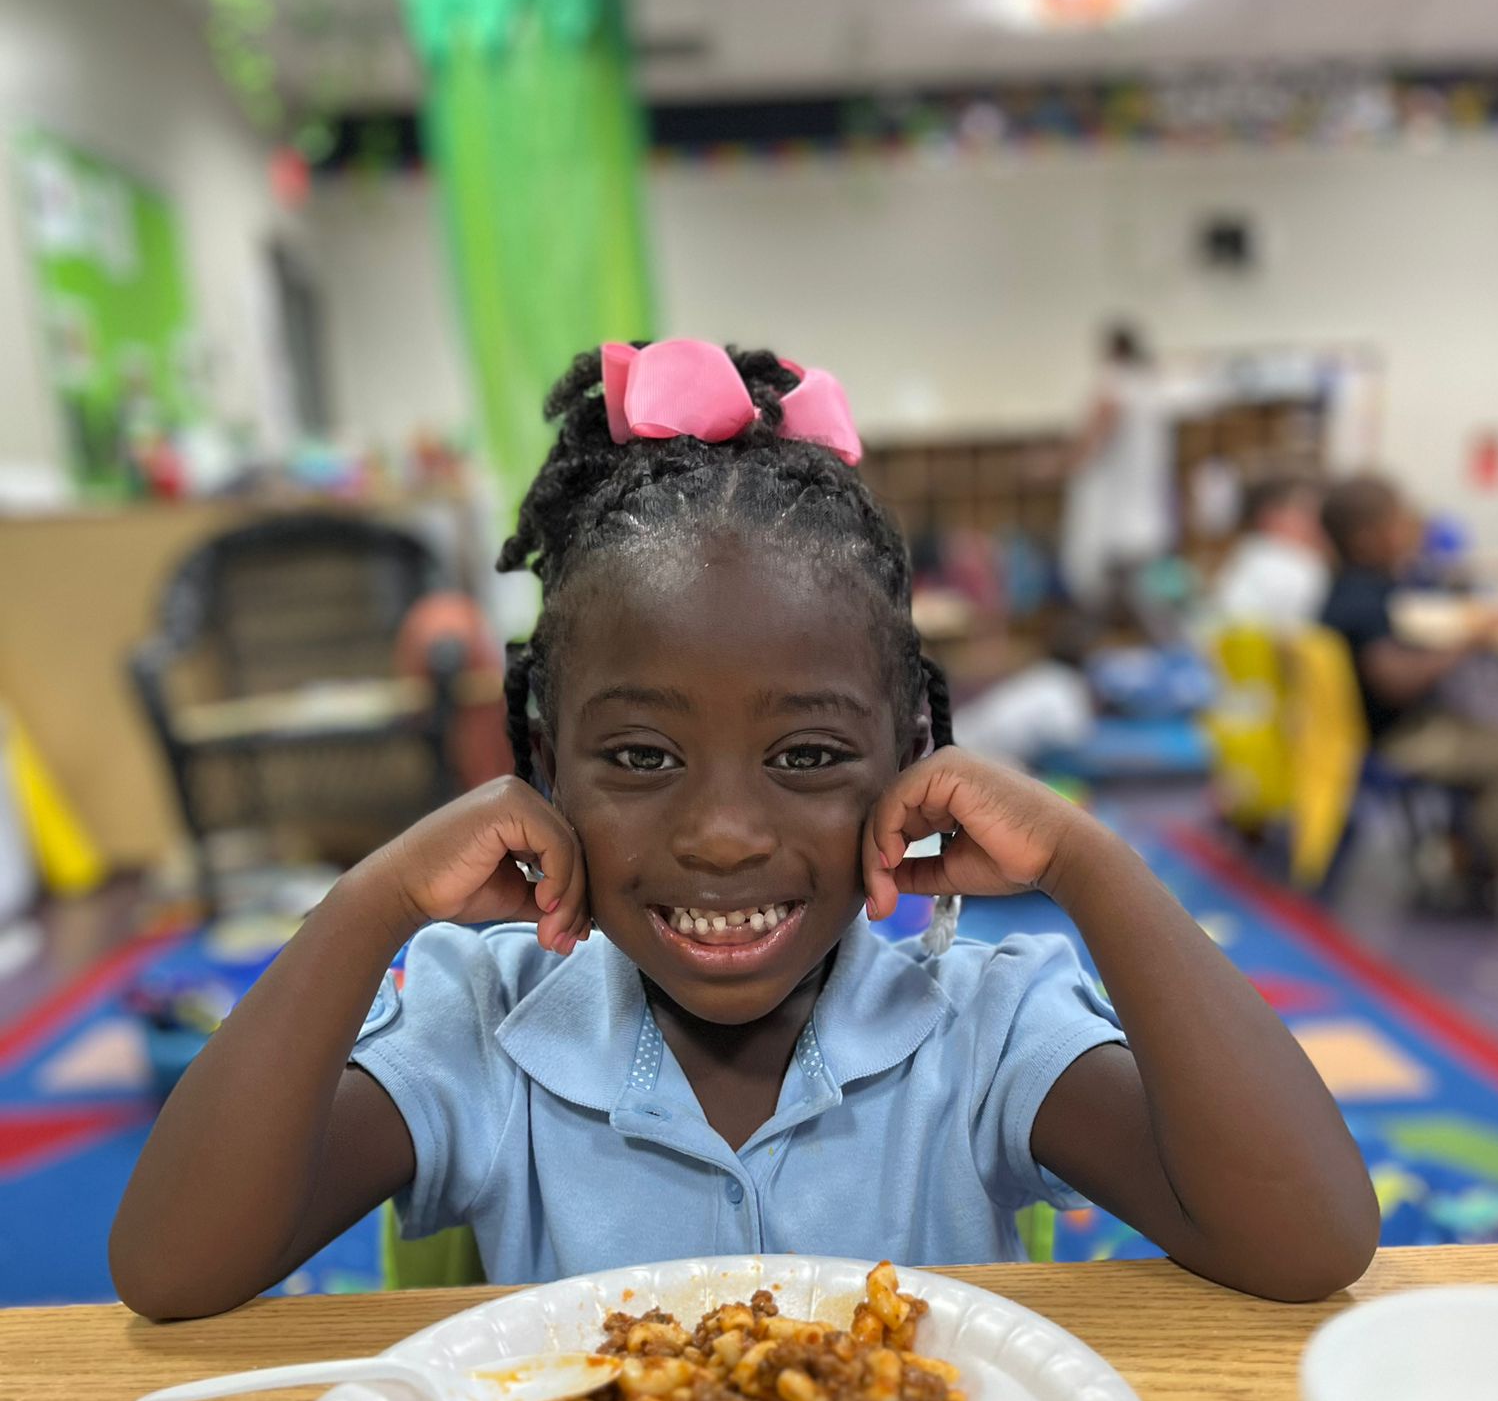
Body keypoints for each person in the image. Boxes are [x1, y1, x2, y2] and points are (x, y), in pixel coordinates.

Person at [111, 339, 1377, 1321]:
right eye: (642, 756)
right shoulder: (487, 1027)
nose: (722, 833)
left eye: (809, 756)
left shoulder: (978, 1026)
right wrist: (374, 899)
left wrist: (1095, 869)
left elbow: (1307, 1242)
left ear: (912, 768)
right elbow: (173, 1267)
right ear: (545, 772)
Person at [1320, 473, 1498, 884]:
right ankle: (1475, 852)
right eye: (1401, 522)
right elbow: (1394, 679)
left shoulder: (1353, 588)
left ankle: (1469, 839)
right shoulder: (1361, 599)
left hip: (1400, 729)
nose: (1413, 530)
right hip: (1405, 739)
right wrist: (1473, 640)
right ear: (1367, 538)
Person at [1060, 322, 1177, 623]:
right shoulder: (1150, 386)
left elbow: (1096, 436)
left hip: (1114, 518)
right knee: (1141, 600)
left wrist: (1063, 464)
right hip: (1146, 516)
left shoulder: (1114, 383)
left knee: (1108, 597)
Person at [1204, 474, 1331, 639]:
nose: (1315, 522)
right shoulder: (1300, 566)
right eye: (1305, 511)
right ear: (1270, 516)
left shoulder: (1246, 554)